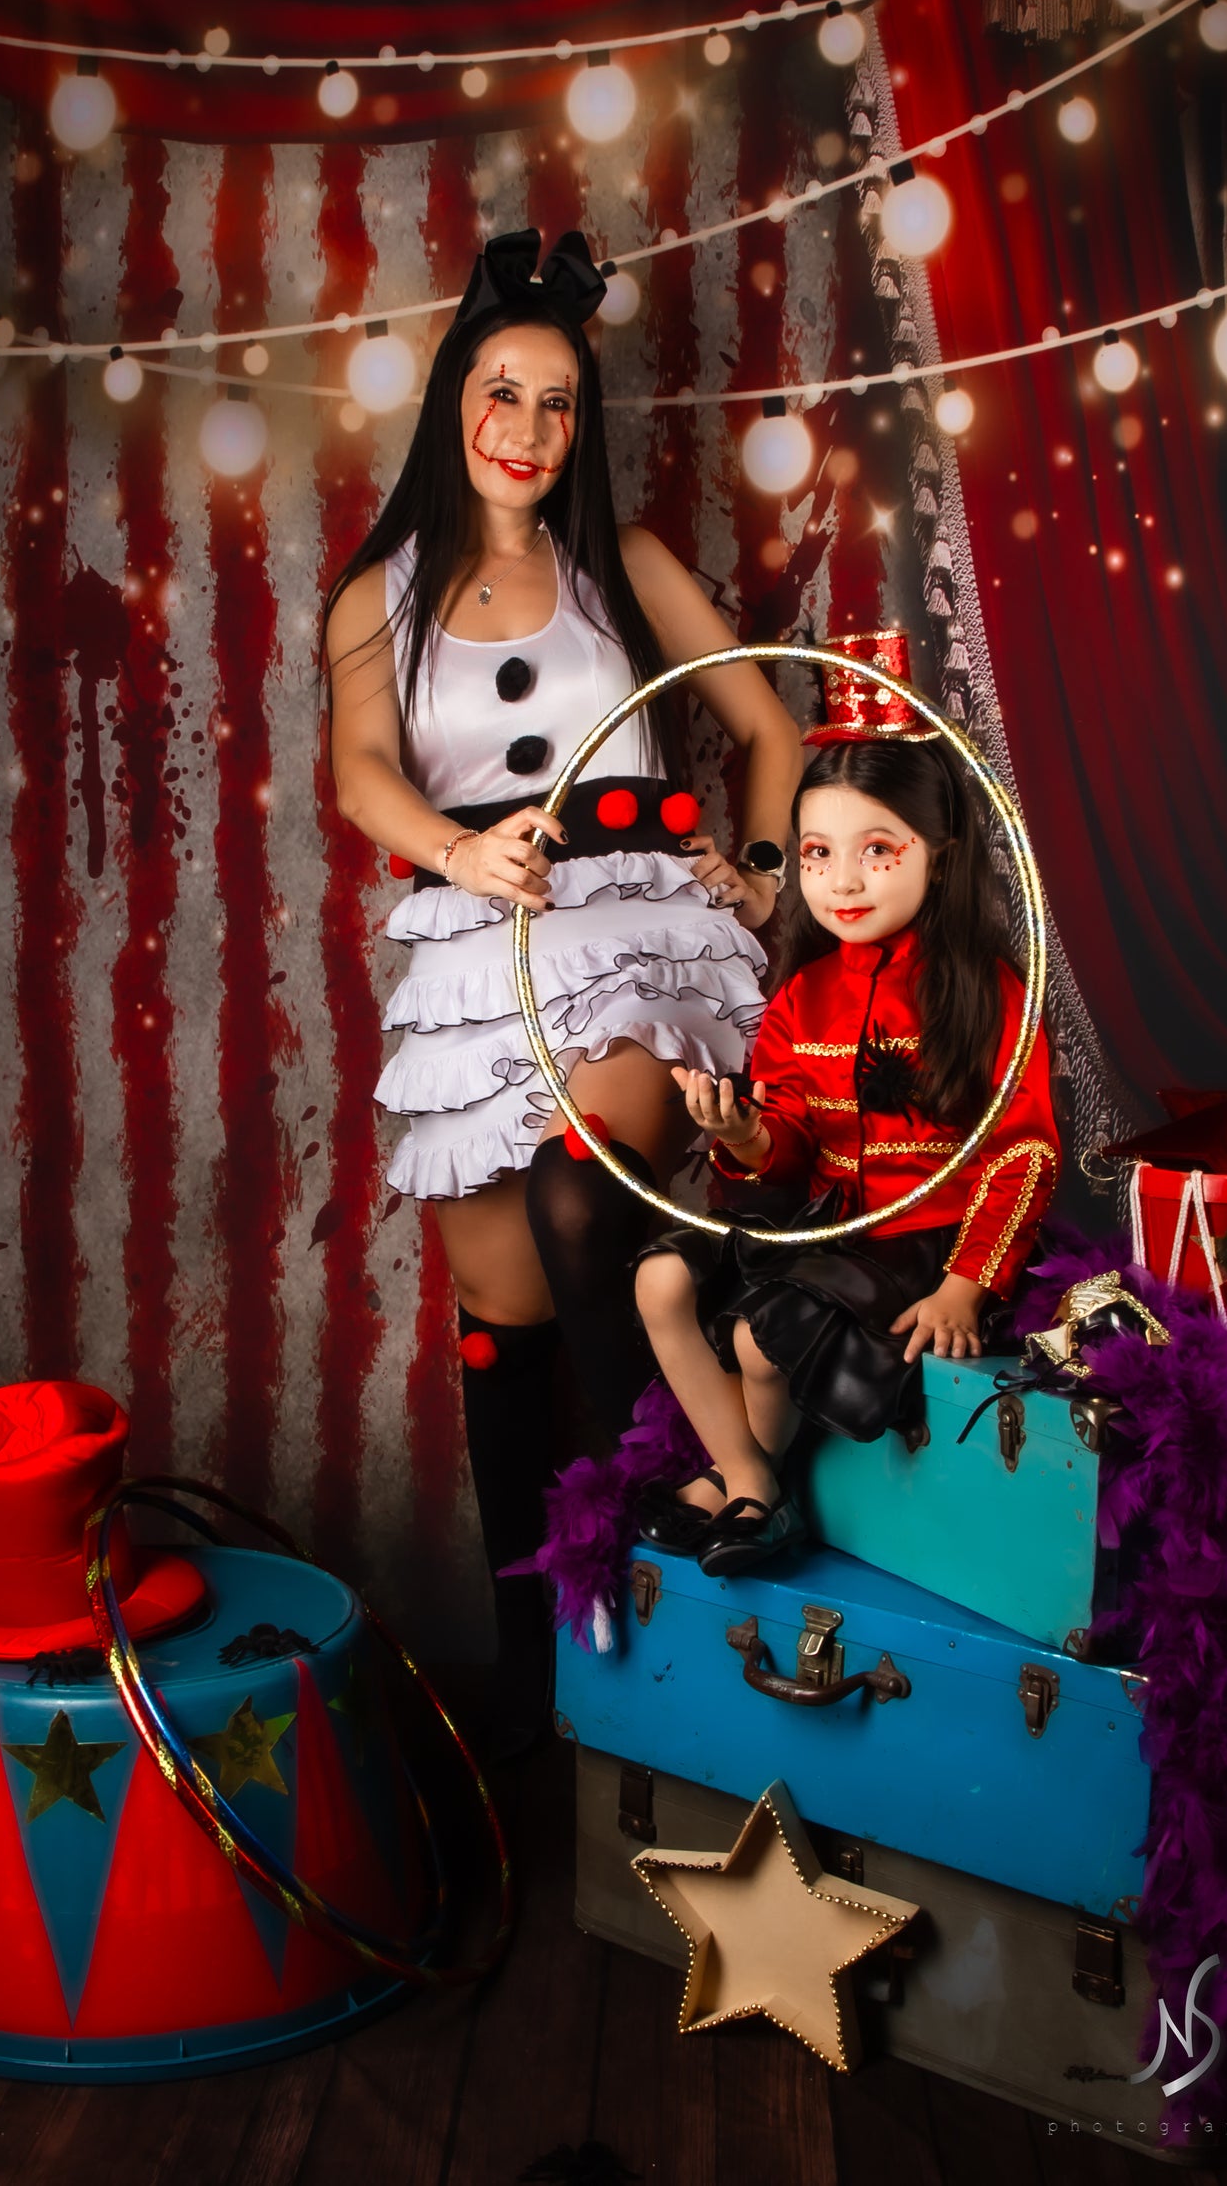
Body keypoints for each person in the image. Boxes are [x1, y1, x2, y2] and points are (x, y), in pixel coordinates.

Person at [322, 228, 803, 1745]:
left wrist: (764, 872)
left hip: (637, 933)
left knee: (579, 1196)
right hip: (479, 953)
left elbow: (771, 732)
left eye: (555, 403)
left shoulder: (627, 563)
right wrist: (457, 855)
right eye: (500, 392)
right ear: (453, 403)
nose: (525, 428)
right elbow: (360, 773)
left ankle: (705, 1513)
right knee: (504, 1319)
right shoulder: (376, 596)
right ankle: (552, 1700)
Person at [632, 691, 1058, 1578]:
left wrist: (966, 1286)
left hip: (923, 1243)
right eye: (818, 853)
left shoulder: (990, 994)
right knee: (660, 1278)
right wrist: (748, 1135)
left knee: (760, 1336)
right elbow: (788, 1146)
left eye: (877, 851)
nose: (843, 882)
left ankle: (751, 1491)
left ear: (939, 855)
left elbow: (1024, 1151)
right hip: (822, 1229)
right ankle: (748, 1473)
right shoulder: (804, 994)